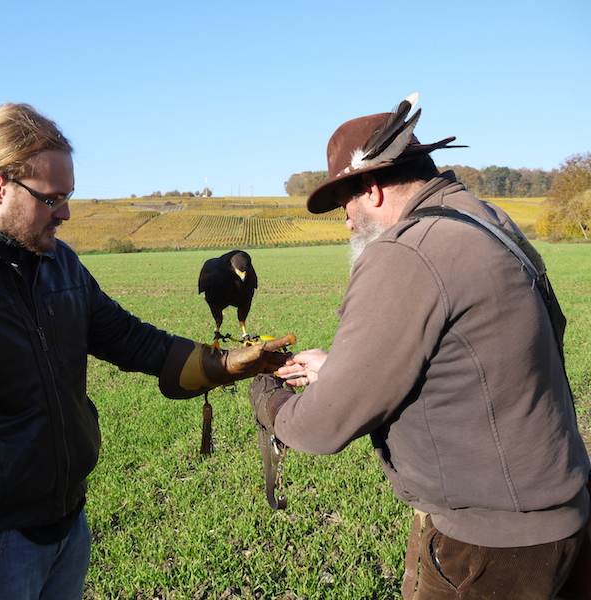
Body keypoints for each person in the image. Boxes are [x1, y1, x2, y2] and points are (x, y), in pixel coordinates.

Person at [0, 102, 295, 600]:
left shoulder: (57, 262)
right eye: (52, 199)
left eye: (68, 196)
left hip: (70, 528)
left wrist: (222, 364)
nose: (65, 213)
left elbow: (130, 339)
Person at [249, 94, 590, 599]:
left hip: (490, 546)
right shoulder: (484, 220)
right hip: (563, 517)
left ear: (372, 189)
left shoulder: (406, 252)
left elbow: (322, 427)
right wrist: (337, 367)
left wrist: (270, 402)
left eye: (345, 202)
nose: (345, 220)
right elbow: (467, 360)